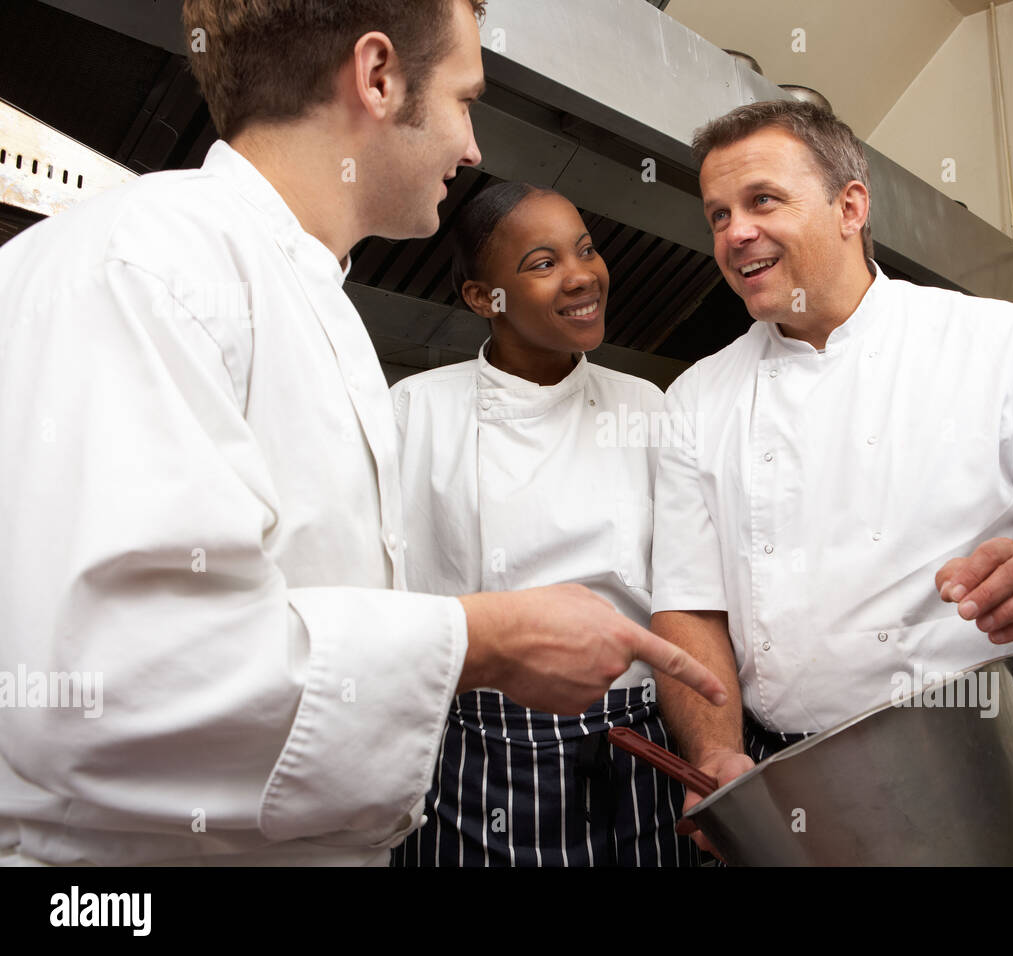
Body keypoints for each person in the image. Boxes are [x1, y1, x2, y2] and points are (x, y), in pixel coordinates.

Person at [0, 0, 723, 867]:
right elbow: (111, 692)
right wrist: (487, 639)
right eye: (464, 100)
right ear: (377, 78)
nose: (473, 148)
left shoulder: (310, 298)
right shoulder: (150, 261)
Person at [650, 100, 1013, 858]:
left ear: (850, 206)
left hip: (976, 763)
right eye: (718, 214)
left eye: (762, 201)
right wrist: (717, 751)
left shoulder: (1002, 343)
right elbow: (691, 608)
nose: (734, 233)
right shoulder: (695, 398)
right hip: (787, 780)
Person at [390, 182, 697, 867]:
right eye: (543, 262)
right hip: (477, 746)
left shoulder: (642, 405)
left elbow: (682, 590)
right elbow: (383, 598)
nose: (582, 275)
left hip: (633, 743)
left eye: (585, 250)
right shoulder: (415, 412)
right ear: (481, 298)